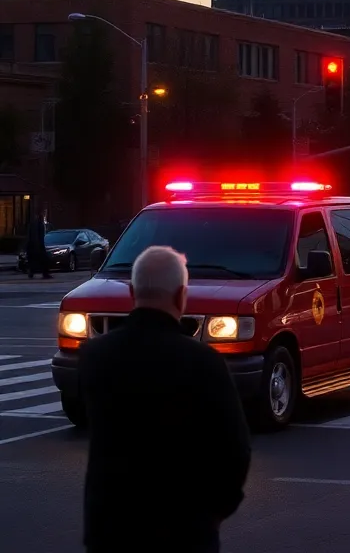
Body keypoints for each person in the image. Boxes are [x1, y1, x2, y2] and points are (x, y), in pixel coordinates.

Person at [79, 246, 251, 553]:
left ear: (132, 292)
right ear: (181, 295)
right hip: (184, 530)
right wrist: (211, 514)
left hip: (110, 529)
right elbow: (235, 451)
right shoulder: (203, 362)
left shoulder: (95, 356)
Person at [25, 202, 51, 280]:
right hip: (37, 245)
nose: (44, 215)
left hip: (34, 245)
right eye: (44, 213)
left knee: (35, 260)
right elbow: (36, 235)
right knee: (43, 260)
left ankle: (33, 273)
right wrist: (38, 245)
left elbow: (31, 235)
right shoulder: (38, 224)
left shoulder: (34, 223)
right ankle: (43, 274)